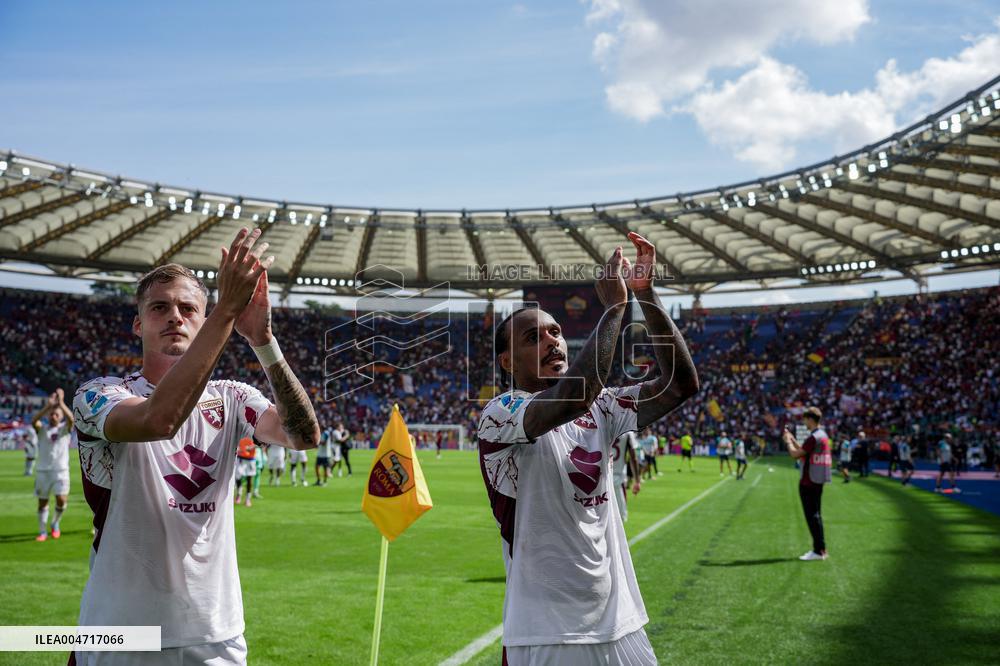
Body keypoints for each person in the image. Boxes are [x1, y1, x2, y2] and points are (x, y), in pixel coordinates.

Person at [70, 228, 320, 665]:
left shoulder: (232, 397)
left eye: (189, 309)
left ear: (202, 322)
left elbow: (302, 436)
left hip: (216, 631)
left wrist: (263, 340)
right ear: (138, 322)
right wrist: (225, 312)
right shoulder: (97, 395)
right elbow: (158, 419)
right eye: (159, 307)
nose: (175, 317)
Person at [478, 234, 699, 665]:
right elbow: (570, 400)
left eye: (556, 332)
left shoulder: (603, 405)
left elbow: (681, 385)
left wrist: (644, 296)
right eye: (533, 338)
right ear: (508, 362)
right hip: (547, 631)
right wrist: (616, 309)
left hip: (621, 622)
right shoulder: (501, 413)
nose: (552, 342)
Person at [782, 407, 831, 561]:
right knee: (816, 515)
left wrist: (788, 442)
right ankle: (821, 548)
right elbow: (804, 451)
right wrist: (793, 440)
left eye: (805, 419)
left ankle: (818, 551)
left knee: (812, 516)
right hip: (817, 480)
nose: (804, 422)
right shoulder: (822, 435)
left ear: (810, 419)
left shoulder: (813, 437)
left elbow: (795, 455)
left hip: (808, 481)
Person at [31, 389, 74, 541]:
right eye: (52, 414)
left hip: (61, 471)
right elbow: (33, 420)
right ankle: (42, 531)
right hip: (43, 471)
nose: (53, 416)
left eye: (57, 414)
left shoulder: (64, 429)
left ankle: (55, 523)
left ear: (61, 417)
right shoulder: (42, 429)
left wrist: (61, 403)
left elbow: (72, 420)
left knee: (61, 500)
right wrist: (47, 407)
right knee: (42, 502)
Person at [611, 431, 642, 523]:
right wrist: (637, 481)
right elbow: (633, 458)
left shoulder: (602, 426)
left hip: (602, 478)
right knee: (620, 519)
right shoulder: (627, 432)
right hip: (617, 478)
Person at [235, 437, 257, 507]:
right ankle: (239, 494)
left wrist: (252, 447)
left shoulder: (255, 429)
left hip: (250, 459)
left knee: (249, 479)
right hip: (240, 458)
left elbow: (261, 443)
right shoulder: (240, 428)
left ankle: (248, 499)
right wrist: (237, 448)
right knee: (238, 477)